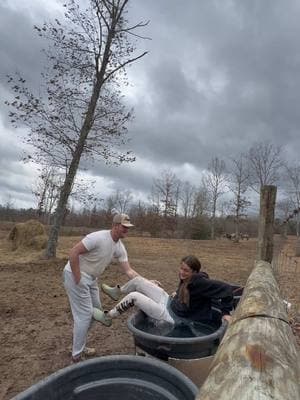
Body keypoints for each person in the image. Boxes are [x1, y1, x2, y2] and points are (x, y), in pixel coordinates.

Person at [63, 213, 139, 363]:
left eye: (128, 228)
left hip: (91, 279)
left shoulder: (119, 247)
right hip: (75, 275)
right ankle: (76, 356)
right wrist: (78, 278)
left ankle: (78, 345)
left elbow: (129, 271)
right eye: (124, 227)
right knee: (84, 315)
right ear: (115, 225)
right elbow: (73, 252)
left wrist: (146, 282)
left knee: (96, 312)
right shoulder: (97, 238)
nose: (126, 230)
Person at [93, 255, 233, 328]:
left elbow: (227, 289)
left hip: (174, 317)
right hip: (170, 302)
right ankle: (117, 292)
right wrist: (176, 294)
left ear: (195, 272)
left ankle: (108, 317)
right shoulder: (189, 279)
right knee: (138, 281)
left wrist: (226, 313)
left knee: (134, 297)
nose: (182, 273)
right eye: (181, 268)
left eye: (186, 270)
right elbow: (187, 293)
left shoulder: (199, 282)